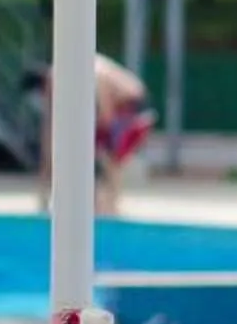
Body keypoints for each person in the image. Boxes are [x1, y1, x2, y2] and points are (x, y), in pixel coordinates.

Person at [24, 56, 152, 214]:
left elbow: (105, 109)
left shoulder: (60, 75)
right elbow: (50, 128)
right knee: (105, 158)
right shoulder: (72, 66)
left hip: (129, 108)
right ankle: (106, 203)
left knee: (107, 158)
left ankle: (109, 204)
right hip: (128, 104)